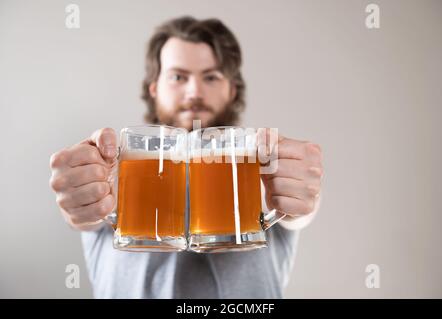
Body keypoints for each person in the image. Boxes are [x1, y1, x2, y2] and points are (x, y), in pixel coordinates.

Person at [49, 16, 323, 298]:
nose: (194, 92)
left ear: (232, 90)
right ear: (154, 88)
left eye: (211, 77)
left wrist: (303, 198)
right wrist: (79, 194)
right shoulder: (117, 170)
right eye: (178, 77)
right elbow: (85, 217)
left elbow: (296, 213)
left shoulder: (257, 173)